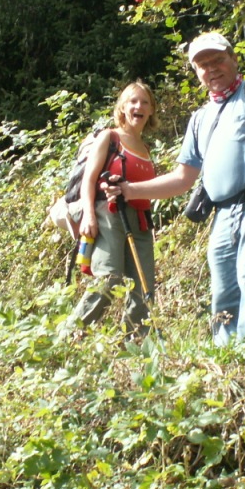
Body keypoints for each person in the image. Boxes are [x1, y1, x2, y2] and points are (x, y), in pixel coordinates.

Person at [105, 31, 245, 346]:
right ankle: (229, 360)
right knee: (223, 289)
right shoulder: (200, 118)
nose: (212, 68)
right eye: (203, 65)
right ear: (197, 72)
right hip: (223, 211)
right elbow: (182, 178)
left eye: (218, 59)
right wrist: (129, 190)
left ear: (233, 59)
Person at [69, 81, 160, 337]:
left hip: (140, 221)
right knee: (109, 278)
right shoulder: (110, 138)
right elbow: (89, 180)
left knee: (144, 287)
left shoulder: (145, 149)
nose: (138, 106)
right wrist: (89, 215)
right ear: (122, 107)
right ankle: (70, 336)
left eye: (144, 102)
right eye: (133, 101)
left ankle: (134, 343)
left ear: (151, 110)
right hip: (108, 214)